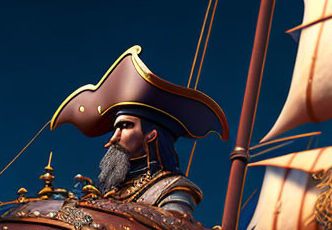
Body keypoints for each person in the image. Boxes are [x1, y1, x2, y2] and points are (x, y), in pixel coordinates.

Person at [51, 46, 228, 217]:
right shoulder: (112, 191)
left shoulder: (173, 189)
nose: (114, 138)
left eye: (126, 126)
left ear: (151, 134)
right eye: (115, 128)